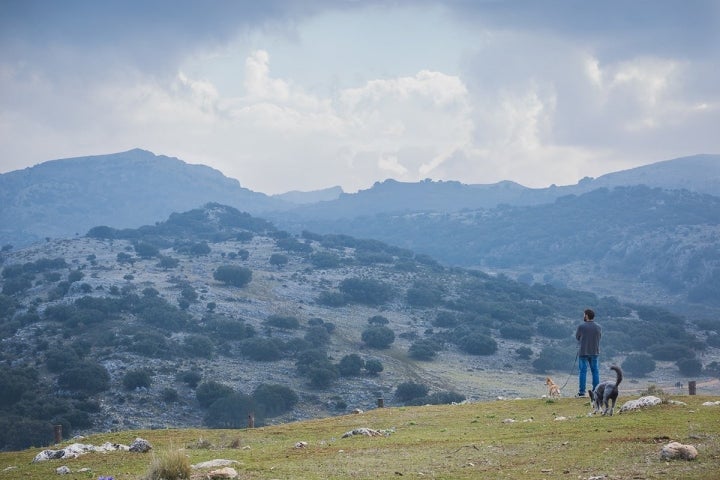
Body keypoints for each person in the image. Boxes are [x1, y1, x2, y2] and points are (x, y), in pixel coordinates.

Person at [575, 308, 601, 397]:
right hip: (595, 352)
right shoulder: (598, 327)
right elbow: (599, 337)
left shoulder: (581, 326)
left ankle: (582, 392)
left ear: (586, 316)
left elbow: (577, 337)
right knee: (595, 372)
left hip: (583, 352)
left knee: (583, 371)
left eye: (583, 315)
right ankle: (596, 391)